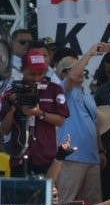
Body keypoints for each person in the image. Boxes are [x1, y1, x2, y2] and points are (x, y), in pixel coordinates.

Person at [0, 49, 69, 177]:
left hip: (45, 155)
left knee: (46, 195)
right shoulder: (11, 91)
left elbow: (60, 120)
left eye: (40, 73)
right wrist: (13, 109)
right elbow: (3, 130)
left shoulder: (54, 89)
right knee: (20, 196)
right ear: (22, 70)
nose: (36, 78)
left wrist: (39, 113)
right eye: (32, 74)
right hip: (19, 156)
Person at [54, 47, 105, 205]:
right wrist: (89, 53)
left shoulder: (87, 95)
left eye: (82, 67)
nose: (82, 70)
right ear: (63, 74)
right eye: (75, 68)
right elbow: (72, 77)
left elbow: (94, 125)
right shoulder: (61, 90)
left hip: (91, 157)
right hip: (70, 157)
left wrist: (101, 150)